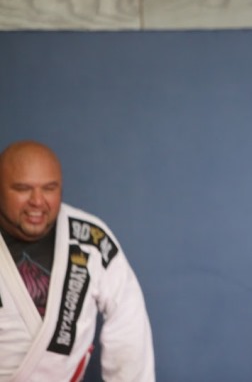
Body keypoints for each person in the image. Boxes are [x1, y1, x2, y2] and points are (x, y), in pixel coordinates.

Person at [0, 140, 155, 381]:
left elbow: (128, 326)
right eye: (23, 189)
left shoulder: (90, 240)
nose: (38, 201)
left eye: (49, 188)